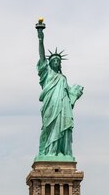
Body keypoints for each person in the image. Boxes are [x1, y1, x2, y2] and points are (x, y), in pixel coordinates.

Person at [36, 19, 84, 158]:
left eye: (58, 60)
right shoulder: (46, 73)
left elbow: (70, 93)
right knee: (50, 127)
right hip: (51, 105)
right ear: (50, 63)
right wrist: (40, 37)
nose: (56, 62)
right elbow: (41, 55)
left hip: (63, 106)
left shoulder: (63, 78)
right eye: (54, 60)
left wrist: (76, 92)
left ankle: (60, 152)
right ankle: (49, 152)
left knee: (62, 127)